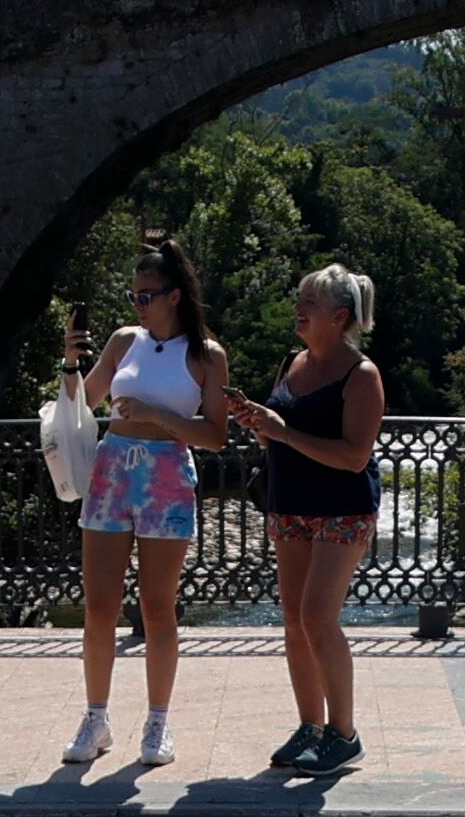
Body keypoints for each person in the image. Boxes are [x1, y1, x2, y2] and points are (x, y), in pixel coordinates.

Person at [57, 231, 229, 774]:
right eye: (133, 295)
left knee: (157, 607)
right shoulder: (123, 340)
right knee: (99, 606)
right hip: (113, 467)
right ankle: (96, 716)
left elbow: (216, 435)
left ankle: (158, 719)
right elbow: (83, 404)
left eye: (146, 295)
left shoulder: (205, 355)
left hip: (166, 474)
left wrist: (157, 416)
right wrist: (69, 362)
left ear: (174, 294)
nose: (138, 304)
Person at [225, 263, 384, 772]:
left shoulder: (361, 374)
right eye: (300, 299)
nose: (299, 308)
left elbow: (355, 456)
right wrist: (258, 423)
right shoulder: (291, 362)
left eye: (309, 303)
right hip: (289, 503)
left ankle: (345, 732)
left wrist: (285, 432)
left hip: (342, 509)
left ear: (339, 316)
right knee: (293, 620)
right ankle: (310, 726)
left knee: (319, 616)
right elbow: (274, 435)